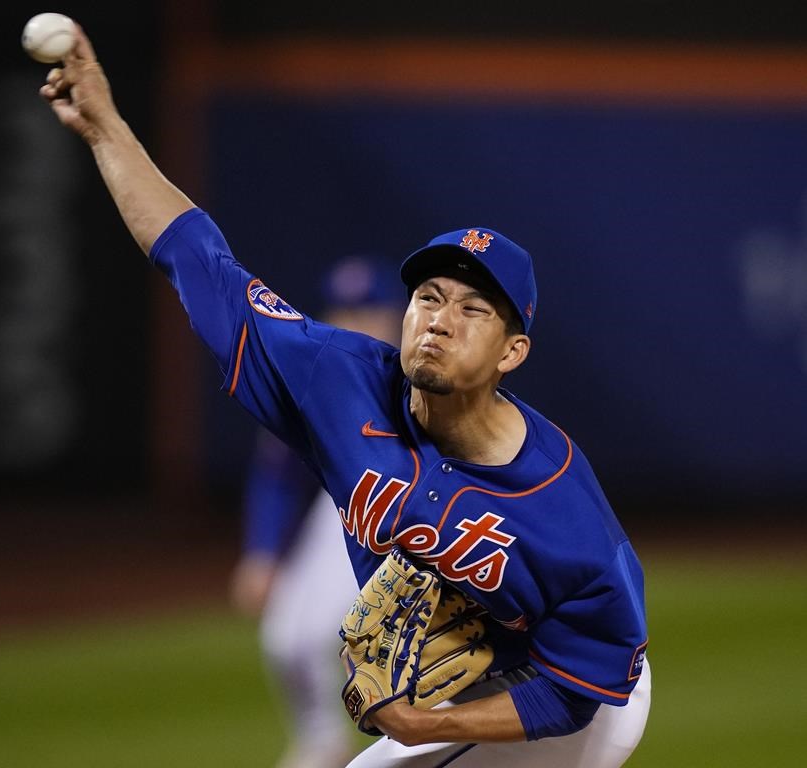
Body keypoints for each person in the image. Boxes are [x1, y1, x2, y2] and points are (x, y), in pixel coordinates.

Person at [40, 27, 651, 768]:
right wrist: (107, 127)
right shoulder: (336, 376)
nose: (439, 320)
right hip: (463, 696)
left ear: (512, 352)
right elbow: (196, 259)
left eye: (474, 310)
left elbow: (579, 688)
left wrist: (421, 726)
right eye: (429, 295)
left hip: (567, 700)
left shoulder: (567, 520)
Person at [229, 257, 403, 768]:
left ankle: (392, 737)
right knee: (285, 638)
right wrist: (262, 551)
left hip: (411, 513)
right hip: (343, 508)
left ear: (394, 316)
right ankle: (323, 740)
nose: (355, 321)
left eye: (367, 309)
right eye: (344, 310)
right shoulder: (314, 381)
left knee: (339, 632)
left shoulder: (415, 377)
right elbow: (278, 474)